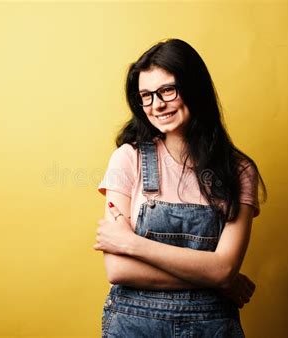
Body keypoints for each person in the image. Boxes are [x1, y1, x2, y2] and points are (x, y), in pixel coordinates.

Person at [93, 38, 267, 338]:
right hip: (134, 327)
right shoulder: (127, 159)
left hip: (211, 328)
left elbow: (224, 268)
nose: (156, 105)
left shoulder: (238, 172)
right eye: (145, 96)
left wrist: (132, 244)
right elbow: (119, 271)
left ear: (194, 88)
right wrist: (218, 280)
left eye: (167, 90)